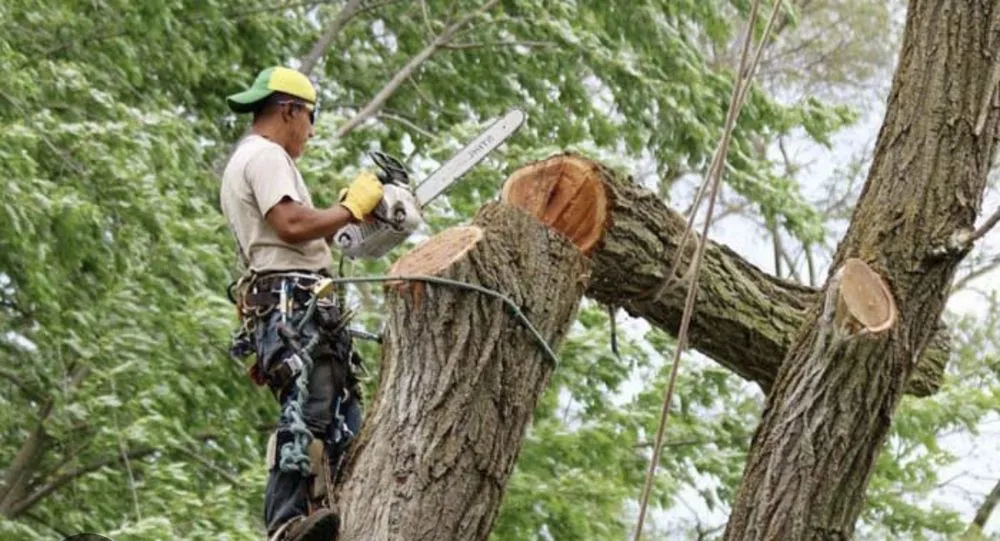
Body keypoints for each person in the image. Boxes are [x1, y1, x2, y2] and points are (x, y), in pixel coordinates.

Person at [219, 65, 384, 541]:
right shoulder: (266, 156)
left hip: (289, 302)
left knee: (336, 416)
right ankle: (286, 524)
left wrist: (344, 214)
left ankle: (323, 510)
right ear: (290, 110)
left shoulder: (249, 159)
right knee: (311, 408)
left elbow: (300, 226)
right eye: (309, 119)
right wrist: (350, 209)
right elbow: (291, 225)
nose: (311, 132)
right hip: (294, 302)